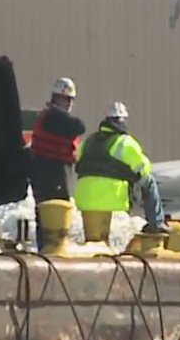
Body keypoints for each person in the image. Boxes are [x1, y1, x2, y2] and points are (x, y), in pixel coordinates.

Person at [74, 102, 169, 235]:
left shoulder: (89, 141)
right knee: (149, 181)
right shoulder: (125, 142)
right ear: (122, 121)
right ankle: (156, 224)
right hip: (109, 197)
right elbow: (143, 168)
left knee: (95, 238)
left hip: (84, 197)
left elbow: (77, 159)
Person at [29, 77, 86, 249]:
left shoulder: (50, 117)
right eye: (67, 99)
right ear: (57, 98)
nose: (69, 104)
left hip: (50, 170)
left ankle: (50, 245)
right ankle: (52, 247)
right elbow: (79, 126)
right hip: (51, 172)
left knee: (50, 212)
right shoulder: (53, 117)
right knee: (54, 211)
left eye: (71, 100)